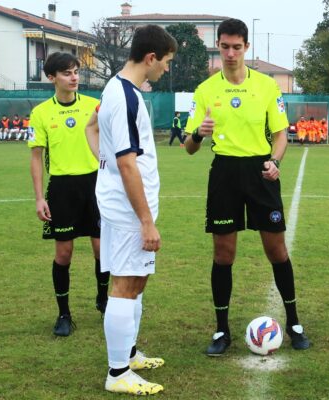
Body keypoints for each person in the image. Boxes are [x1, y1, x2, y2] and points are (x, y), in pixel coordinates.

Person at [184, 18, 310, 356]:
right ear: (219, 47)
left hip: (260, 172)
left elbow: (281, 134)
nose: (229, 53)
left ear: (246, 48)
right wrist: (198, 133)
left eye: (236, 47)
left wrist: (275, 162)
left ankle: (295, 322)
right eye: (224, 46)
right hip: (224, 172)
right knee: (224, 253)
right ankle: (221, 331)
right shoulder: (206, 90)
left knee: (276, 250)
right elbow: (189, 146)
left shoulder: (267, 87)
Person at [86, 25, 177, 395]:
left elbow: (91, 129)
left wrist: (103, 166)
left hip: (122, 204)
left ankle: (130, 353)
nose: (167, 70)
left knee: (136, 281)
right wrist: (145, 221)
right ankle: (118, 372)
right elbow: (126, 163)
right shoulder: (125, 97)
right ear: (151, 57)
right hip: (127, 212)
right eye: (167, 62)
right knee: (125, 285)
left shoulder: (116, 90)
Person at [28, 52, 109, 337]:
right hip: (61, 188)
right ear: (52, 78)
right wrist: (40, 197)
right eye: (66, 73)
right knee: (64, 254)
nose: (74, 77)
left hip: (95, 185)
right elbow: (36, 157)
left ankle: (104, 300)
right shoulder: (40, 113)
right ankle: (64, 314)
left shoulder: (93, 106)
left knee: (102, 249)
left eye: (76, 71)